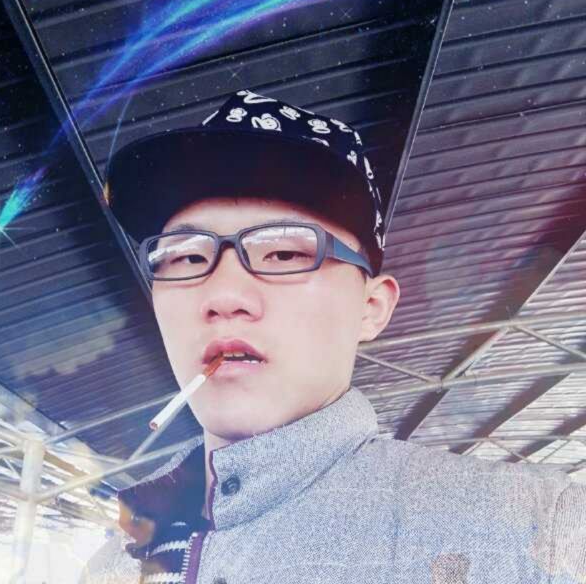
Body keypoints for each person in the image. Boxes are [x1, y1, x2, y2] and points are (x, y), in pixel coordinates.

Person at [81, 90, 585, 584]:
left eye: (284, 254)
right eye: (187, 256)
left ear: (371, 308)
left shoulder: (540, 534)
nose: (224, 294)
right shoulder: (112, 565)